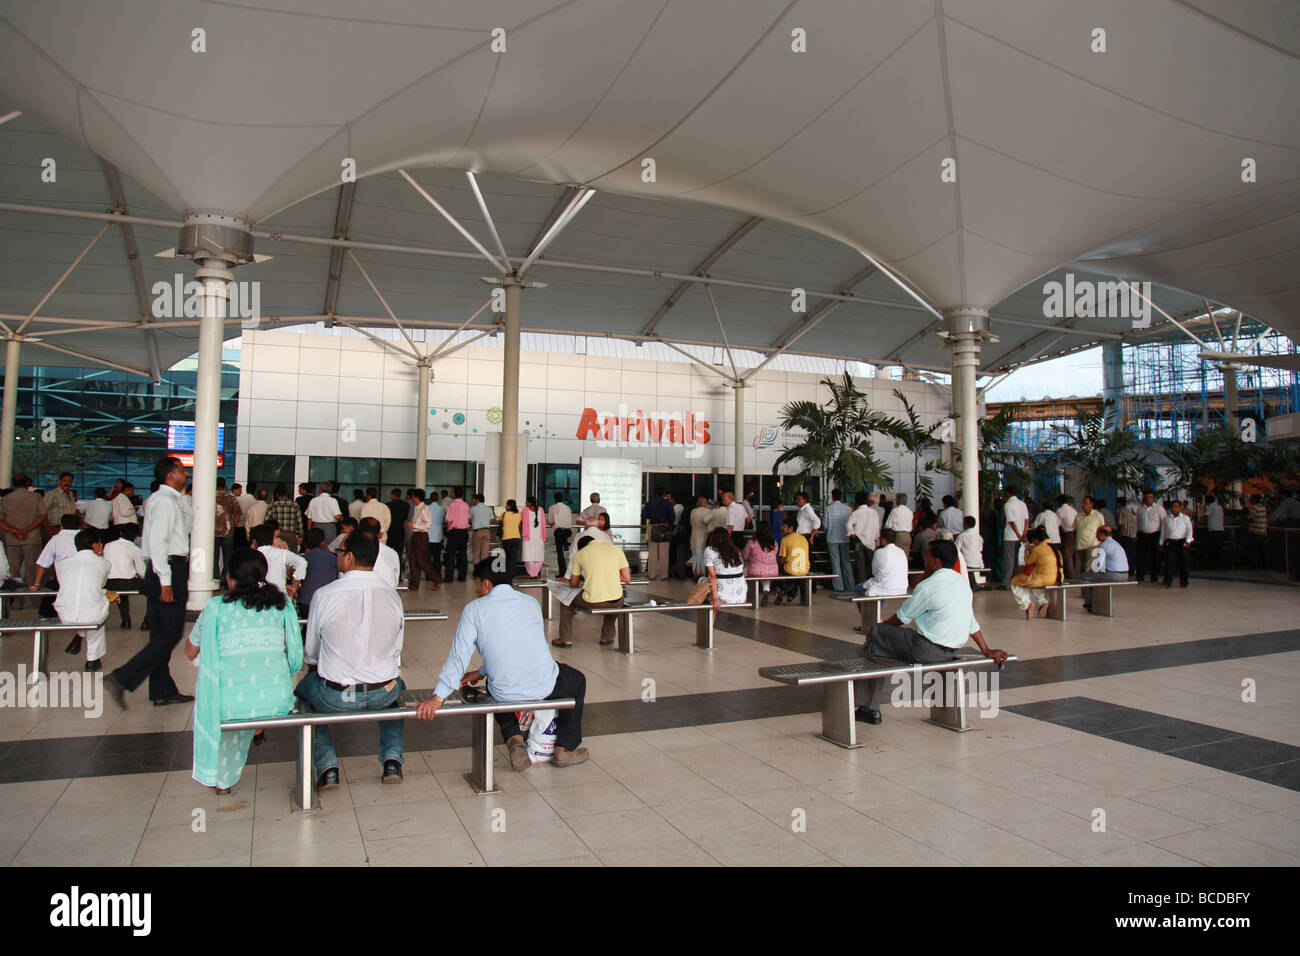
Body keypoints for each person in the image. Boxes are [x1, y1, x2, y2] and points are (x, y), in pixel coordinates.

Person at [416, 558, 589, 769]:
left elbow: (459, 656)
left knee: (496, 685)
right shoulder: (530, 602)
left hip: (505, 693)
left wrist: (438, 697)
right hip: (545, 686)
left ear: (486, 584)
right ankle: (565, 748)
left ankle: (515, 740)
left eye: (477, 584)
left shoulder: (474, 609)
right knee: (577, 680)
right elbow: (522, 644)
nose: (476, 590)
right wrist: (480, 671)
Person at [186, 548, 304, 793]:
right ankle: (255, 726)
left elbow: (189, 652)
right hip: (277, 700)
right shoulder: (281, 605)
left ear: (231, 577)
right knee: (248, 697)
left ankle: (222, 779)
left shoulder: (215, 607)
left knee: (225, 699)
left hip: (227, 704)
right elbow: (295, 659)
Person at [296, 532, 407, 788]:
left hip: (335, 696)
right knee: (395, 689)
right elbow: (396, 649)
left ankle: (327, 766)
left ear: (349, 557)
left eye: (339, 552)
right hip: (383, 693)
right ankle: (392, 760)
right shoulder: (393, 596)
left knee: (304, 693)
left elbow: (310, 653)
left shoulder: (324, 595)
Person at [854, 540, 1007, 724]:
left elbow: (903, 617)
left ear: (936, 561)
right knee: (879, 644)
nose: (923, 559)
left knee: (876, 636)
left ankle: (868, 707)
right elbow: (971, 622)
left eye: (927, 556)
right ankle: (869, 705)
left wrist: (881, 627)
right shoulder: (962, 583)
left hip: (927, 650)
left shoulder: (929, 586)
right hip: (950, 651)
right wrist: (986, 650)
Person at [105, 456, 194, 710]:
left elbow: (186, 528)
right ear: (170, 476)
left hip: (164, 568)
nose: (186, 475)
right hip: (167, 568)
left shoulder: (170, 500)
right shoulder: (164, 502)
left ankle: (161, 690)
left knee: (160, 634)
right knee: (171, 633)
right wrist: (166, 581)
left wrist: (185, 498)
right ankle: (121, 678)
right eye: (181, 471)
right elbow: (158, 543)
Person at [49, 529, 111, 671]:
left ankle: (79, 637)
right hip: (91, 614)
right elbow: (100, 585)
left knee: (90, 603)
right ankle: (92, 660)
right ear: (95, 545)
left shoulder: (62, 564)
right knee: (97, 606)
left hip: (65, 612)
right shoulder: (104, 564)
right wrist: (100, 557)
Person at [557, 534, 629, 648]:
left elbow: (574, 584)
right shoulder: (616, 549)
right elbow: (627, 578)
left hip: (594, 602)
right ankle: (607, 637)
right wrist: (609, 575)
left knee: (566, 600)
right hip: (617, 601)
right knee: (613, 597)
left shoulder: (580, 554)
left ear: (581, 547)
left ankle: (565, 639)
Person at [0, 473, 47, 602]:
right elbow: (42, 516)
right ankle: (34, 601)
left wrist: (14, 531)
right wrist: (26, 530)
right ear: (27, 483)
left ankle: (16, 602)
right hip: (31, 538)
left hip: (11, 539)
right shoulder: (36, 497)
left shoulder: (6, 499)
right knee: (32, 570)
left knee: (14, 572)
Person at [33, 514, 82, 617]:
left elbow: (43, 564)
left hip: (63, 580)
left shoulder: (56, 539)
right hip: (84, 578)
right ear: (79, 526)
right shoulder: (86, 537)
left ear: (61, 526)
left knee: (50, 592)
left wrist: (36, 584)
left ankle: (49, 616)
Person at [1010, 526, 1061, 619]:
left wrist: (1026, 550)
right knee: (1032, 582)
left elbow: (1027, 563)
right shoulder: (1054, 548)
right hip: (1056, 579)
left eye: (1034, 541)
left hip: (1044, 579)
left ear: (1037, 540)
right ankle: (1043, 602)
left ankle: (1027, 604)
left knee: (1015, 582)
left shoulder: (1038, 549)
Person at [104, 522, 145, 629]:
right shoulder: (135, 549)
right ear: (136, 536)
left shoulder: (108, 545)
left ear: (121, 533)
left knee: (121, 593)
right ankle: (147, 622)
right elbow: (142, 572)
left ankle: (126, 621)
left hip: (109, 583)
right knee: (152, 587)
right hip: (127, 583)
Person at [699, 527, 746, 616]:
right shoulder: (736, 550)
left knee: (701, 581)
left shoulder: (710, 550)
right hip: (741, 595)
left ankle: (709, 625)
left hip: (722, 596)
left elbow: (712, 576)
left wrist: (715, 599)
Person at [1081, 526, 1129, 612]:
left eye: (1097, 533)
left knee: (1085, 576)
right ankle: (1096, 601)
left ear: (1102, 534)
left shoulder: (1103, 545)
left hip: (1113, 575)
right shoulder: (1116, 543)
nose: (1096, 536)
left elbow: (1097, 566)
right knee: (1094, 576)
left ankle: (1089, 603)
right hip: (1125, 575)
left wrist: (1090, 571)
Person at [252, 524, 306, 597]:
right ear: (272, 539)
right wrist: (294, 587)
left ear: (254, 541)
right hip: (280, 598)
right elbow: (302, 562)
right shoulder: (281, 553)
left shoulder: (251, 556)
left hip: (258, 598)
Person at [853, 526, 908, 597]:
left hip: (885, 587)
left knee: (857, 589)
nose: (878, 539)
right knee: (881, 586)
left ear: (884, 540)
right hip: (902, 588)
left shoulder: (880, 552)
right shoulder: (901, 551)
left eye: (880, 538)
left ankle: (866, 608)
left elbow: (874, 572)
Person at [403, 489, 441, 591]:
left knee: (421, 561)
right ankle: (414, 585)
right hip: (415, 535)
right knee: (413, 561)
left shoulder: (424, 509)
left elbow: (428, 524)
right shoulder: (417, 508)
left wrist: (414, 525)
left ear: (416, 497)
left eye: (413, 496)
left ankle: (436, 579)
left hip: (421, 536)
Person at [296, 527, 339, 614]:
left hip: (307, 602)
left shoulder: (302, 559)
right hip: (329, 602)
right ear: (322, 543)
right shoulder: (334, 559)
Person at [773, 517, 809, 606]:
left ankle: (790, 590)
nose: (782, 528)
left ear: (791, 528)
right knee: (795, 577)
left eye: (784, 526)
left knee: (775, 574)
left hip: (791, 570)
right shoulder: (803, 539)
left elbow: (782, 560)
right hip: (804, 570)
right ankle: (791, 594)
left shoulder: (785, 540)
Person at [846, 491, 881, 583]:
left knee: (860, 565)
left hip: (859, 541)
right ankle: (873, 584)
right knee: (871, 565)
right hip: (871, 542)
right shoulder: (874, 513)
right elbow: (877, 528)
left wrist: (852, 534)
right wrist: (876, 541)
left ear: (856, 502)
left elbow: (848, 525)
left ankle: (861, 586)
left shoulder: (856, 513)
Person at [742, 520, 779, 606]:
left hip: (756, 570)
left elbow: (745, 556)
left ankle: (750, 595)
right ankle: (766, 590)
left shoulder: (752, 542)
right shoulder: (774, 542)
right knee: (765, 573)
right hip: (772, 570)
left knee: (746, 569)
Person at [823, 488, 853, 592]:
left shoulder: (828, 509)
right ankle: (850, 585)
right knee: (846, 562)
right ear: (841, 497)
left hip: (832, 539)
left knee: (835, 563)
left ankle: (838, 586)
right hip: (845, 538)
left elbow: (825, 525)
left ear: (832, 497)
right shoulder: (847, 509)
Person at [356, 518, 401, 587]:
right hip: (388, 593)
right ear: (379, 534)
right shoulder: (392, 553)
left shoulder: (353, 551)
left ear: (358, 532)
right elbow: (395, 580)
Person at [643, 487, 676, 579]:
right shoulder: (667, 503)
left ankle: (652, 574)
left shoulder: (650, 502)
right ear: (664, 494)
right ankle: (664, 575)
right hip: (664, 529)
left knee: (652, 553)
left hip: (653, 528)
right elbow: (672, 517)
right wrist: (668, 523)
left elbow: (644, 515)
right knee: (664, 553)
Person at [1160, 499, 1194, 588]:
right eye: (1173, 507)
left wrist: (1188, 541)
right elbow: (1163, 532)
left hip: (1182, 542)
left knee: (1184, 563)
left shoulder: (1185, 518)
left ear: (1180, 508)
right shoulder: (1167, 519)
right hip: (1171, 542)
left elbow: (1189, 530)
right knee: (1170, 562)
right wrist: (1161, 543)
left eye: (1176, 507)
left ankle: (1184, 582)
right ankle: (1168, 581)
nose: (1174, 509)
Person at [212, 477, 241, 581]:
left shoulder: (210, 497)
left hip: (212, 532)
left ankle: (215, 578)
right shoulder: (231, 498)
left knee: (213, 558)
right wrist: (232, 526)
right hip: (227, 532)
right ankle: (226, 579)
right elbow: (238, 515)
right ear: (225, 486)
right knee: (228, 558)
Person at [1136, 490, 1166, 582]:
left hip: (1155, 535)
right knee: (1141, 556)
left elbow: (1164, 523)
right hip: (1142, 535)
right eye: (1146, 497)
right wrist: (1135, 534)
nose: (1148, 499)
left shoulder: (1159, 509)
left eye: (1150, 497)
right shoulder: (1140, 509)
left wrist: (1162, 539)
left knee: (1155, 557)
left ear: (1153, 498)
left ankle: (1154, 576)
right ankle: (1140, 577)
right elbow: (1137, 522)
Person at [1001, 488, 1029, 588]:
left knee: (1009, 560)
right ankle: (1016, 582)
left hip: (1010, 536)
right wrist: (1023, 534)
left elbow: (1011, 521)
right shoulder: (1023, 504)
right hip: (1020, 537)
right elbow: (1026, 520)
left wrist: (1018, 534)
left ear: (1008, 493)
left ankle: (1007, 583)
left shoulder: (1008, 504)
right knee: (1017, 560)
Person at [1073, 495, 1105, 581]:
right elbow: (1075, 531)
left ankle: (1087, 587)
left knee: (1088, 567)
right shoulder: (1078, 516)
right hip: (1080, 545)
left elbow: (1102, 529)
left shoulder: (1097, 515)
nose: (1083, 505)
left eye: (1086, 503)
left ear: (1091, 504)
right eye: (1082, 503)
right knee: (1080, 567)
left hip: (1092, 544)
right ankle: (1082, 587)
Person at [443, 487, 470, 582]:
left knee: (451, 554)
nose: (451, 493)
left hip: (454, 531)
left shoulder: (452, 505)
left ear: (454, 494)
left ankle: (449, 577)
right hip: (464, 531)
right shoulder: (466, 505)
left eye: (452, 492)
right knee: (463, 554)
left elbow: (448, 519)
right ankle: (462, 577)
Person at [548, 492, 574, 578]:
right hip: (567, 531)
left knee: (560, 553)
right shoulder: (568, 508)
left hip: (559, 532)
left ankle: (562, 572)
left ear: (554, 499)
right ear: (562, 499)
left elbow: (550, 521)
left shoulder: (552, 508)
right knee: (567, 552)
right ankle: (565, 544)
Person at [520, 496, 547, 578]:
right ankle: (535, 573)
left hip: (528, 536)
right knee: (538, 555)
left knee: (528, 555)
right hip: (539, 536)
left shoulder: (525, 510)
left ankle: (532, 574)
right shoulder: (541, 510)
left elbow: (522, 521)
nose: (525, 503)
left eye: (526, 502)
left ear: (529, 503)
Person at [956, 516, 985, 586]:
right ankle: (973, 584)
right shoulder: (979, 537)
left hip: (967, 563)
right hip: (978, 562)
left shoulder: (962, 536)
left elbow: (956, 549)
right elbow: (980, 549)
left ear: (965, 524)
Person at [689, 494, 712, 577]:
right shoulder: (708, 512)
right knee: (702, 557)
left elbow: (691, 523)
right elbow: (708, 522)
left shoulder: (693, 511)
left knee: (695, 556)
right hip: (703, 537)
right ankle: (701, 573)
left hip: (694, 537)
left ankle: (695, 572)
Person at [1056, 495, 1079, 578]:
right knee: (1076, 554)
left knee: (1067, 554)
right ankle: (1077, 574)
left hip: (1069, 534)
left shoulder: (1060, 511)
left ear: (1060, 502)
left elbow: (1057, 524)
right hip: (1077, 533)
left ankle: (1070, 574)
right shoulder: (1074, 510)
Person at [500, 499, 522, 578]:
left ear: (509, 506)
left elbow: (500, 522)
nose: (506, 506)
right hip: (516, 537)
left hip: (506, 538)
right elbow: (520, 523)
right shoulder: (518, 514)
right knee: (514, 556)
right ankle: (513, 573)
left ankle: (508, 572)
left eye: (507, 505)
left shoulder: (504, 514)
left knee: (508, 556)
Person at [385, 488, 408, 566]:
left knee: (387, 554)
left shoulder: (388, 505)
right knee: (399, 555)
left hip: (390, 532)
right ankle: (398, 576)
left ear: (392, 495)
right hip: (400, 531)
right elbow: (405, 518)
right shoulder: (406, 505)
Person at [1246, 494, 1268, 570]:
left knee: (1254, 550)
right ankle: (1264, 565)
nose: (1249, 500)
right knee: (1262, 550)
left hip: (1254, 532)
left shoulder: (1254, 508)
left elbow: (1251, 518)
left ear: (1254, 500)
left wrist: (1244, 524)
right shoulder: (1263, 507)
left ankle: (1254, 566)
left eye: (1250, 499)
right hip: (1262, 531)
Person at [1203, 494, 1225, 570]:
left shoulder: (1210, 507)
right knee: (1219, 549)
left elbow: (1205, 516)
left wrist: (1198, 523)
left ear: (1208, 501)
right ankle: (1221, 565)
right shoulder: (1219, 507)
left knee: (1213, 549)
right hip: (1220, 530)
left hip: (1213, 531)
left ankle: (1213, 565)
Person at [426, 490, 446, 572]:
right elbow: (445, 520)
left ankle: (428, 574)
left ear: (430, 499)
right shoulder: (442, 509)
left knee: (427, 557)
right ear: (438, 499)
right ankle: (437, 573)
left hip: (428, 536)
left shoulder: (426, 508)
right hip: (438, 536)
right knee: (437, 557)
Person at [1116, 495, 1137, 573]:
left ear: (1119, 503)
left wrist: (1120, 535)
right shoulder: (1128, 510)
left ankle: (1125, 569)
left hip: (1124, 535)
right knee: (1130, 553)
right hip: (1130, 534)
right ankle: (1131, 569)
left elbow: (1122, 524)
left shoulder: (1121, 511)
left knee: (1125, 553)